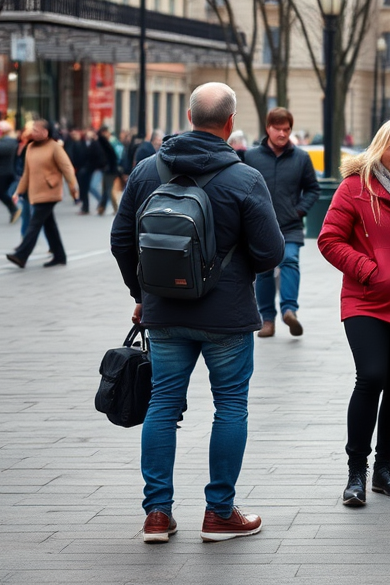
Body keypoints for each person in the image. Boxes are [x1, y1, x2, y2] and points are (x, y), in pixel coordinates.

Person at [110, 82, 284, 544]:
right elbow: (270, 252)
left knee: (162, 405)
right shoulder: (246, 178)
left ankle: (157, 515)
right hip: (226, 315)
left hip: (164, 312)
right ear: (230, 123)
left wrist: (142, 292)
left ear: (188, 118)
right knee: (230, 406)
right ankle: (219, 514)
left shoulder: (147, 170)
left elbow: (121, 240)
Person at [317, 117, 390, 507]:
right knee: (371, 377)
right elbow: (329, 239)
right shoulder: (355, 188)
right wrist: (368, 270)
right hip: (366, 300)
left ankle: (385, 469)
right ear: (380, 147)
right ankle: (357, 472)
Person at [245, 108, 320, 338]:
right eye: (277, 129)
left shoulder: (301, 158)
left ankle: (289, 310)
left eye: (286, 129)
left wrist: (299, 210)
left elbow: (313, 189)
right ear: (268, 128)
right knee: (265, 271)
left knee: (290, 260)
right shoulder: (251, 157)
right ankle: (267, 319)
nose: (282, 133)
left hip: (290, 224)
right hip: (261, 226)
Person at [6, 119, 79, 269]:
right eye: (33, 129)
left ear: (46, 132)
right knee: (49, 225)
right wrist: (18, 192)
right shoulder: (31, 147)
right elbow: (26, 173)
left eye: (37, 130)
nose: (34, 132)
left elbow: (67, 168)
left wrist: (73, 187)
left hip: (49, 191)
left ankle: (21, 255)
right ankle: (60, 256)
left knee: (35, 223)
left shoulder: (54, 147)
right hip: (35, 192)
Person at [0, 121, 21, 222]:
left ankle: (14, 209)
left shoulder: (7, 142)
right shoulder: (7, 141)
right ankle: (14, 209)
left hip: (5, 171)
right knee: (3, 191)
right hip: (6, 170)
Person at [95, 126, 120, 215]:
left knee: (108, 189)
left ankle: (115, 208)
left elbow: (113, 157)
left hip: (110, 170)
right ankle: (102, 208)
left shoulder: (108, 142)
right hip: (110, 169)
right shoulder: (106, 143)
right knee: (106, 189)